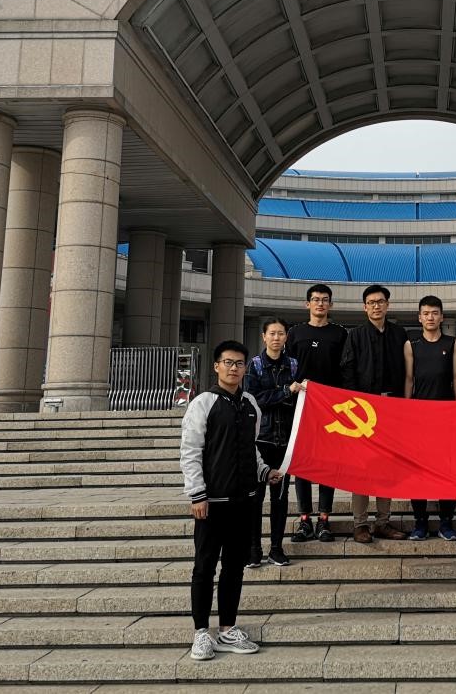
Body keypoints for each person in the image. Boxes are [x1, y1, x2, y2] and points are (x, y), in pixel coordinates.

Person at [181, 340, 283, 661]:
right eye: (228, 362)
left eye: (239, 363)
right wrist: (197, 494)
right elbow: (191, 452)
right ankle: (201, 632)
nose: (234, 368)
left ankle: (227, 629)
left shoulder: (250, 403)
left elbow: (250, 448)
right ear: (216, 366)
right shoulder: (203, 403)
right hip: (211, 502)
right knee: (204, 567)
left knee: (234, 568)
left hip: (244, 501)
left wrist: (265, 471)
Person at [339, 283, 410, 543]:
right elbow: (347, 370)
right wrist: (355, 407)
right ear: (364, 307)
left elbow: (408, 370)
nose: (376, 306)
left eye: (380, 302)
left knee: (385, 466)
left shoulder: (399, 334)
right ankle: (360, 524)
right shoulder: (355, 335)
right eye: (371, 303)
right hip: (363, 410)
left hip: (392, 408)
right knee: (361, 467)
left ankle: (383, 522)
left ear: (387, 305)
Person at [286, 283, 347, 543]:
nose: (320, 303)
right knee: (303, 462)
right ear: (307, 304)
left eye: (324, 300)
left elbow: (345, 369)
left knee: (327, 463)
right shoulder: (295, 333)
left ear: (331, 304)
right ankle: (304, 520)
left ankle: (324, 519)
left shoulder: (340, 333)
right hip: (301, 406)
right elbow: (287, 368)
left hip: (329, 408)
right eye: (315, 299)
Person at [244, 318, 303, 568]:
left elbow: (299, 400)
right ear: (264, 337)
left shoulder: (294, 364)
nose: (276, 338)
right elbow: (253, 399)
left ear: (286, 337)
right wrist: (286, 392)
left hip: (284, 441)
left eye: (281, 333)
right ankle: (253, 549)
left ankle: (276, 549)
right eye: (272, 333)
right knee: (255, 497)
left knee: (280, 497)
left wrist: (292, 393)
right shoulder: (255, 365)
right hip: (261, 440)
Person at [404, 294, 456, 541]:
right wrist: (405, 411)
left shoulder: (453, 343)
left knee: (446, 471)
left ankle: (446, 522)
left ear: (442, 317)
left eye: (435, 313)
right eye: (426, 313)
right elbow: (409, 379)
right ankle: (420, 522)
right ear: (419, 317)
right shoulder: (411, 345)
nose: (430, 317)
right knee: (417, 472)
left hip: (446, 416)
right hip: (419, 417)